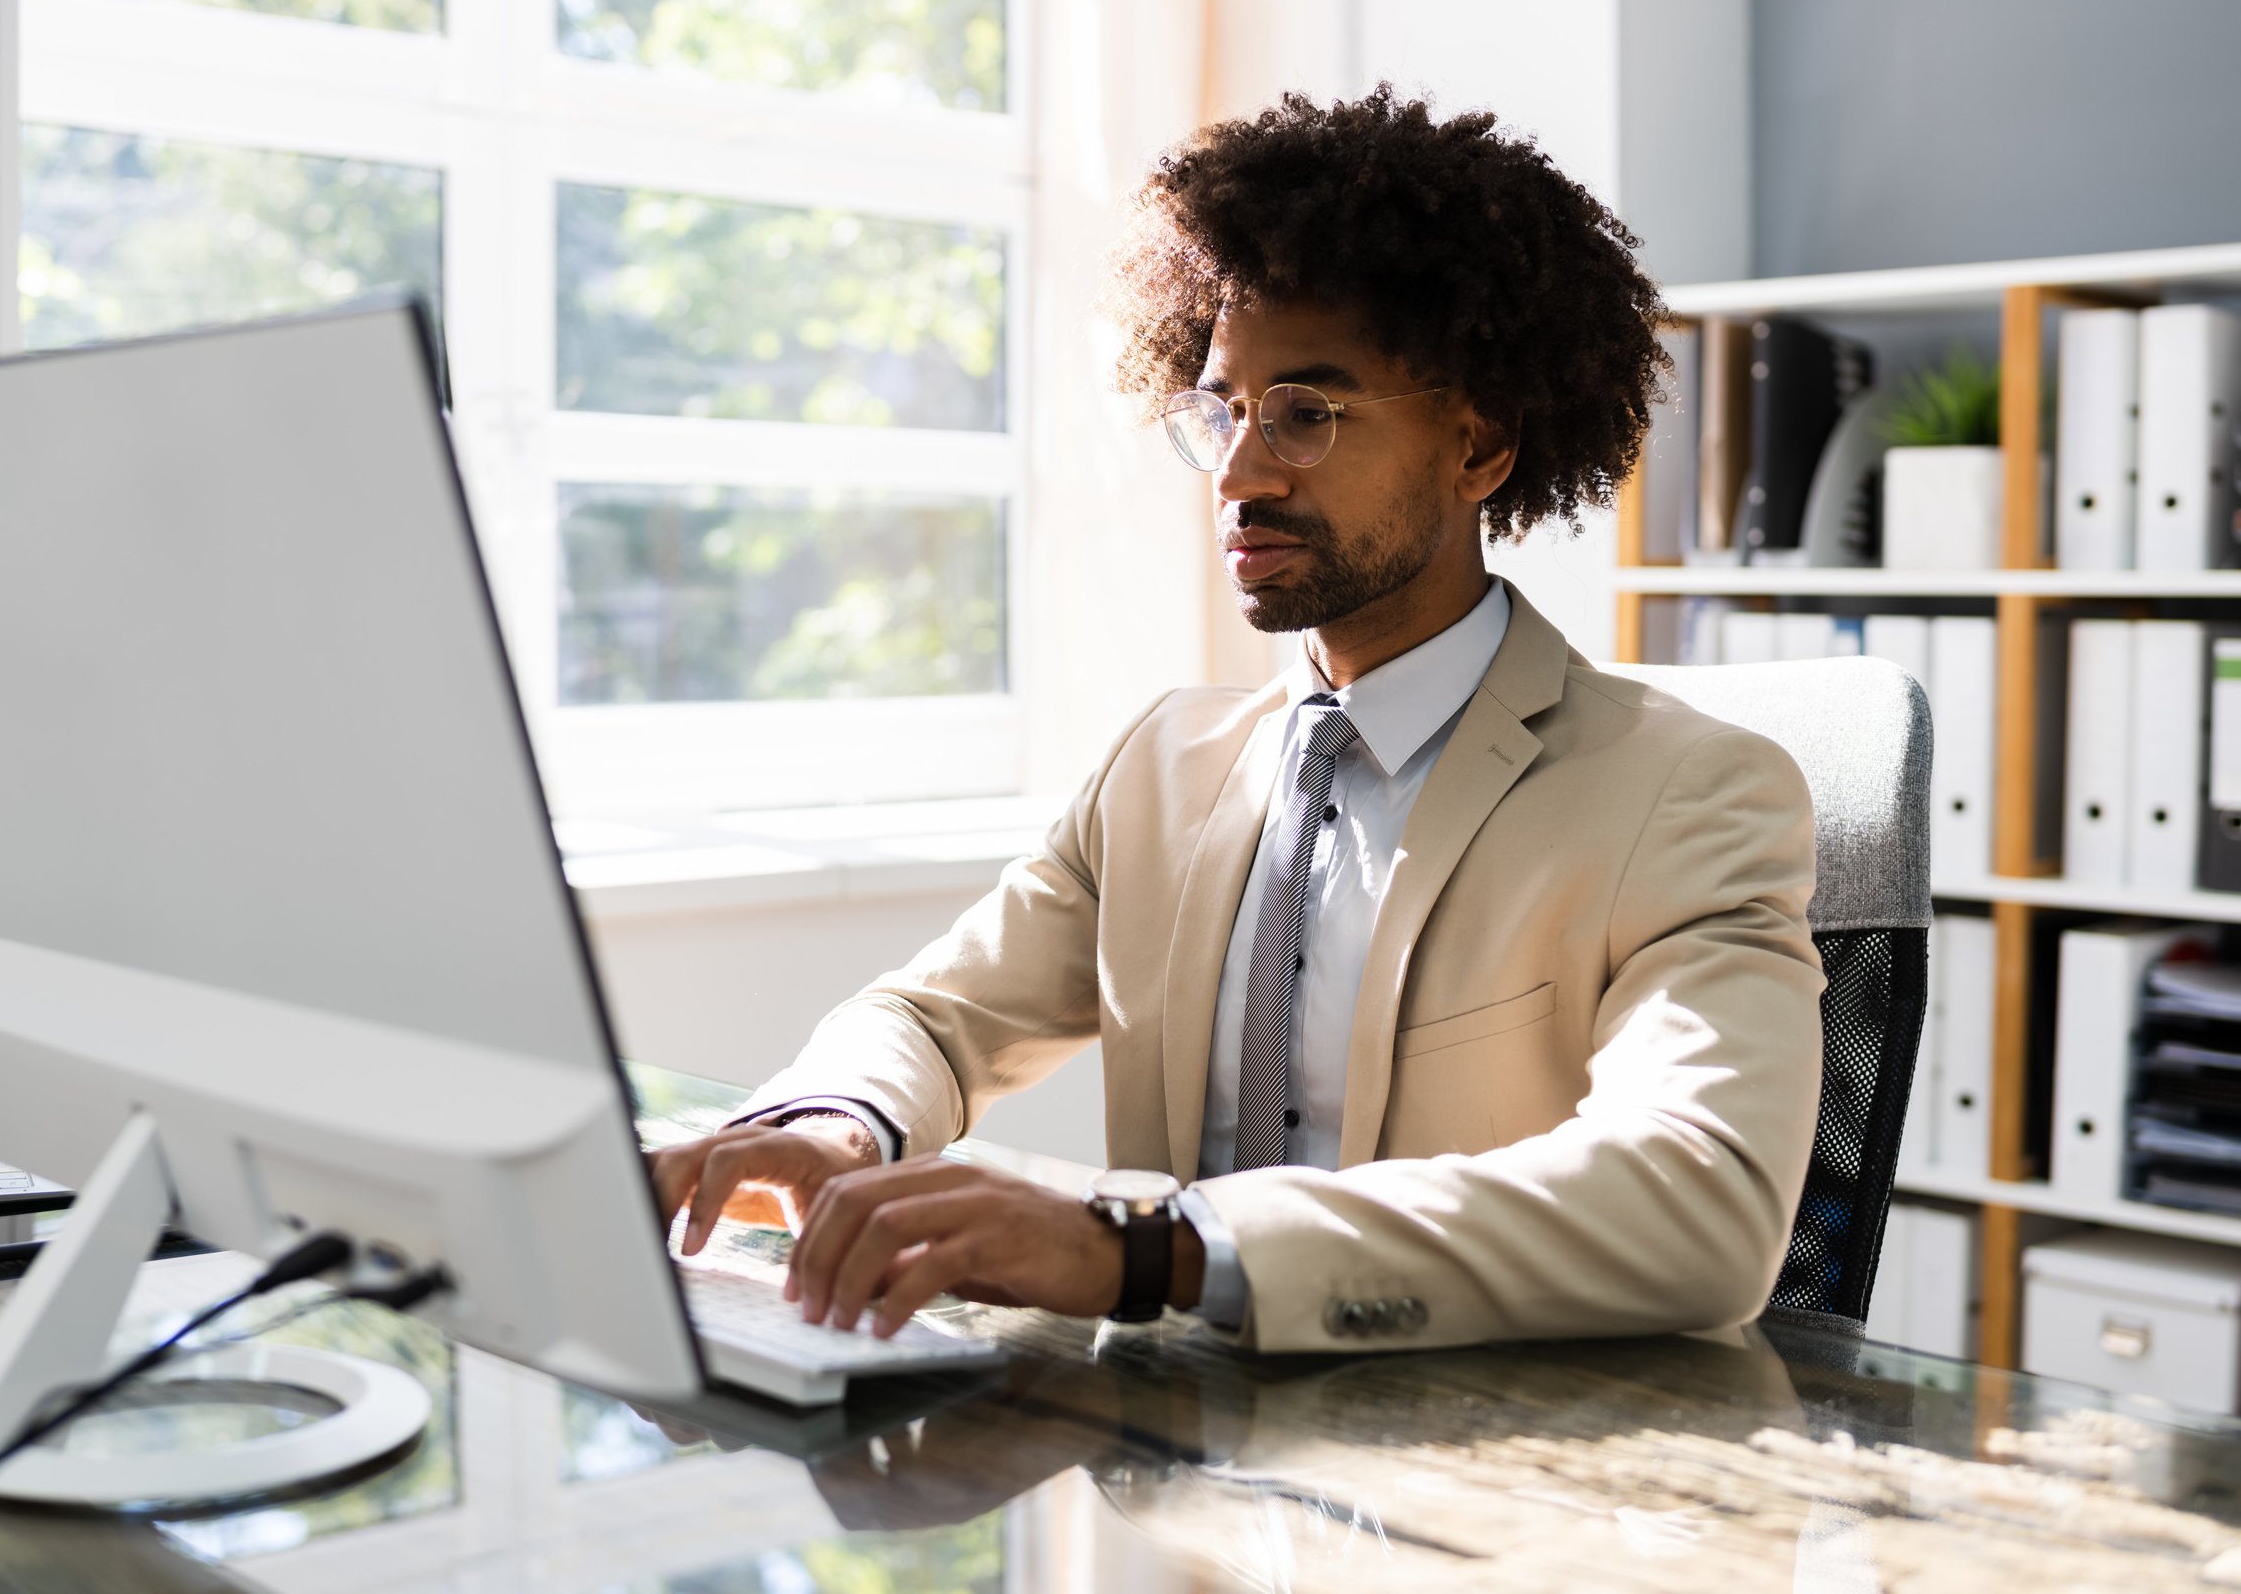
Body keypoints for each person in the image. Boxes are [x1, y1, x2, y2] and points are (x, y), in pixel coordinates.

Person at [650, 89, 1824, 1352]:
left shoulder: (1689, 792)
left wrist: (1146, 1250)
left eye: (1306, 415)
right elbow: (936, 1019)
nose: (1239, 474)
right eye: (1222, 410)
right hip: (1168, 1489)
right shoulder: (1165, 765)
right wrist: (832, 1125)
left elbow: (1700, 1200)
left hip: (1484, 1491)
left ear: (1479, 446)